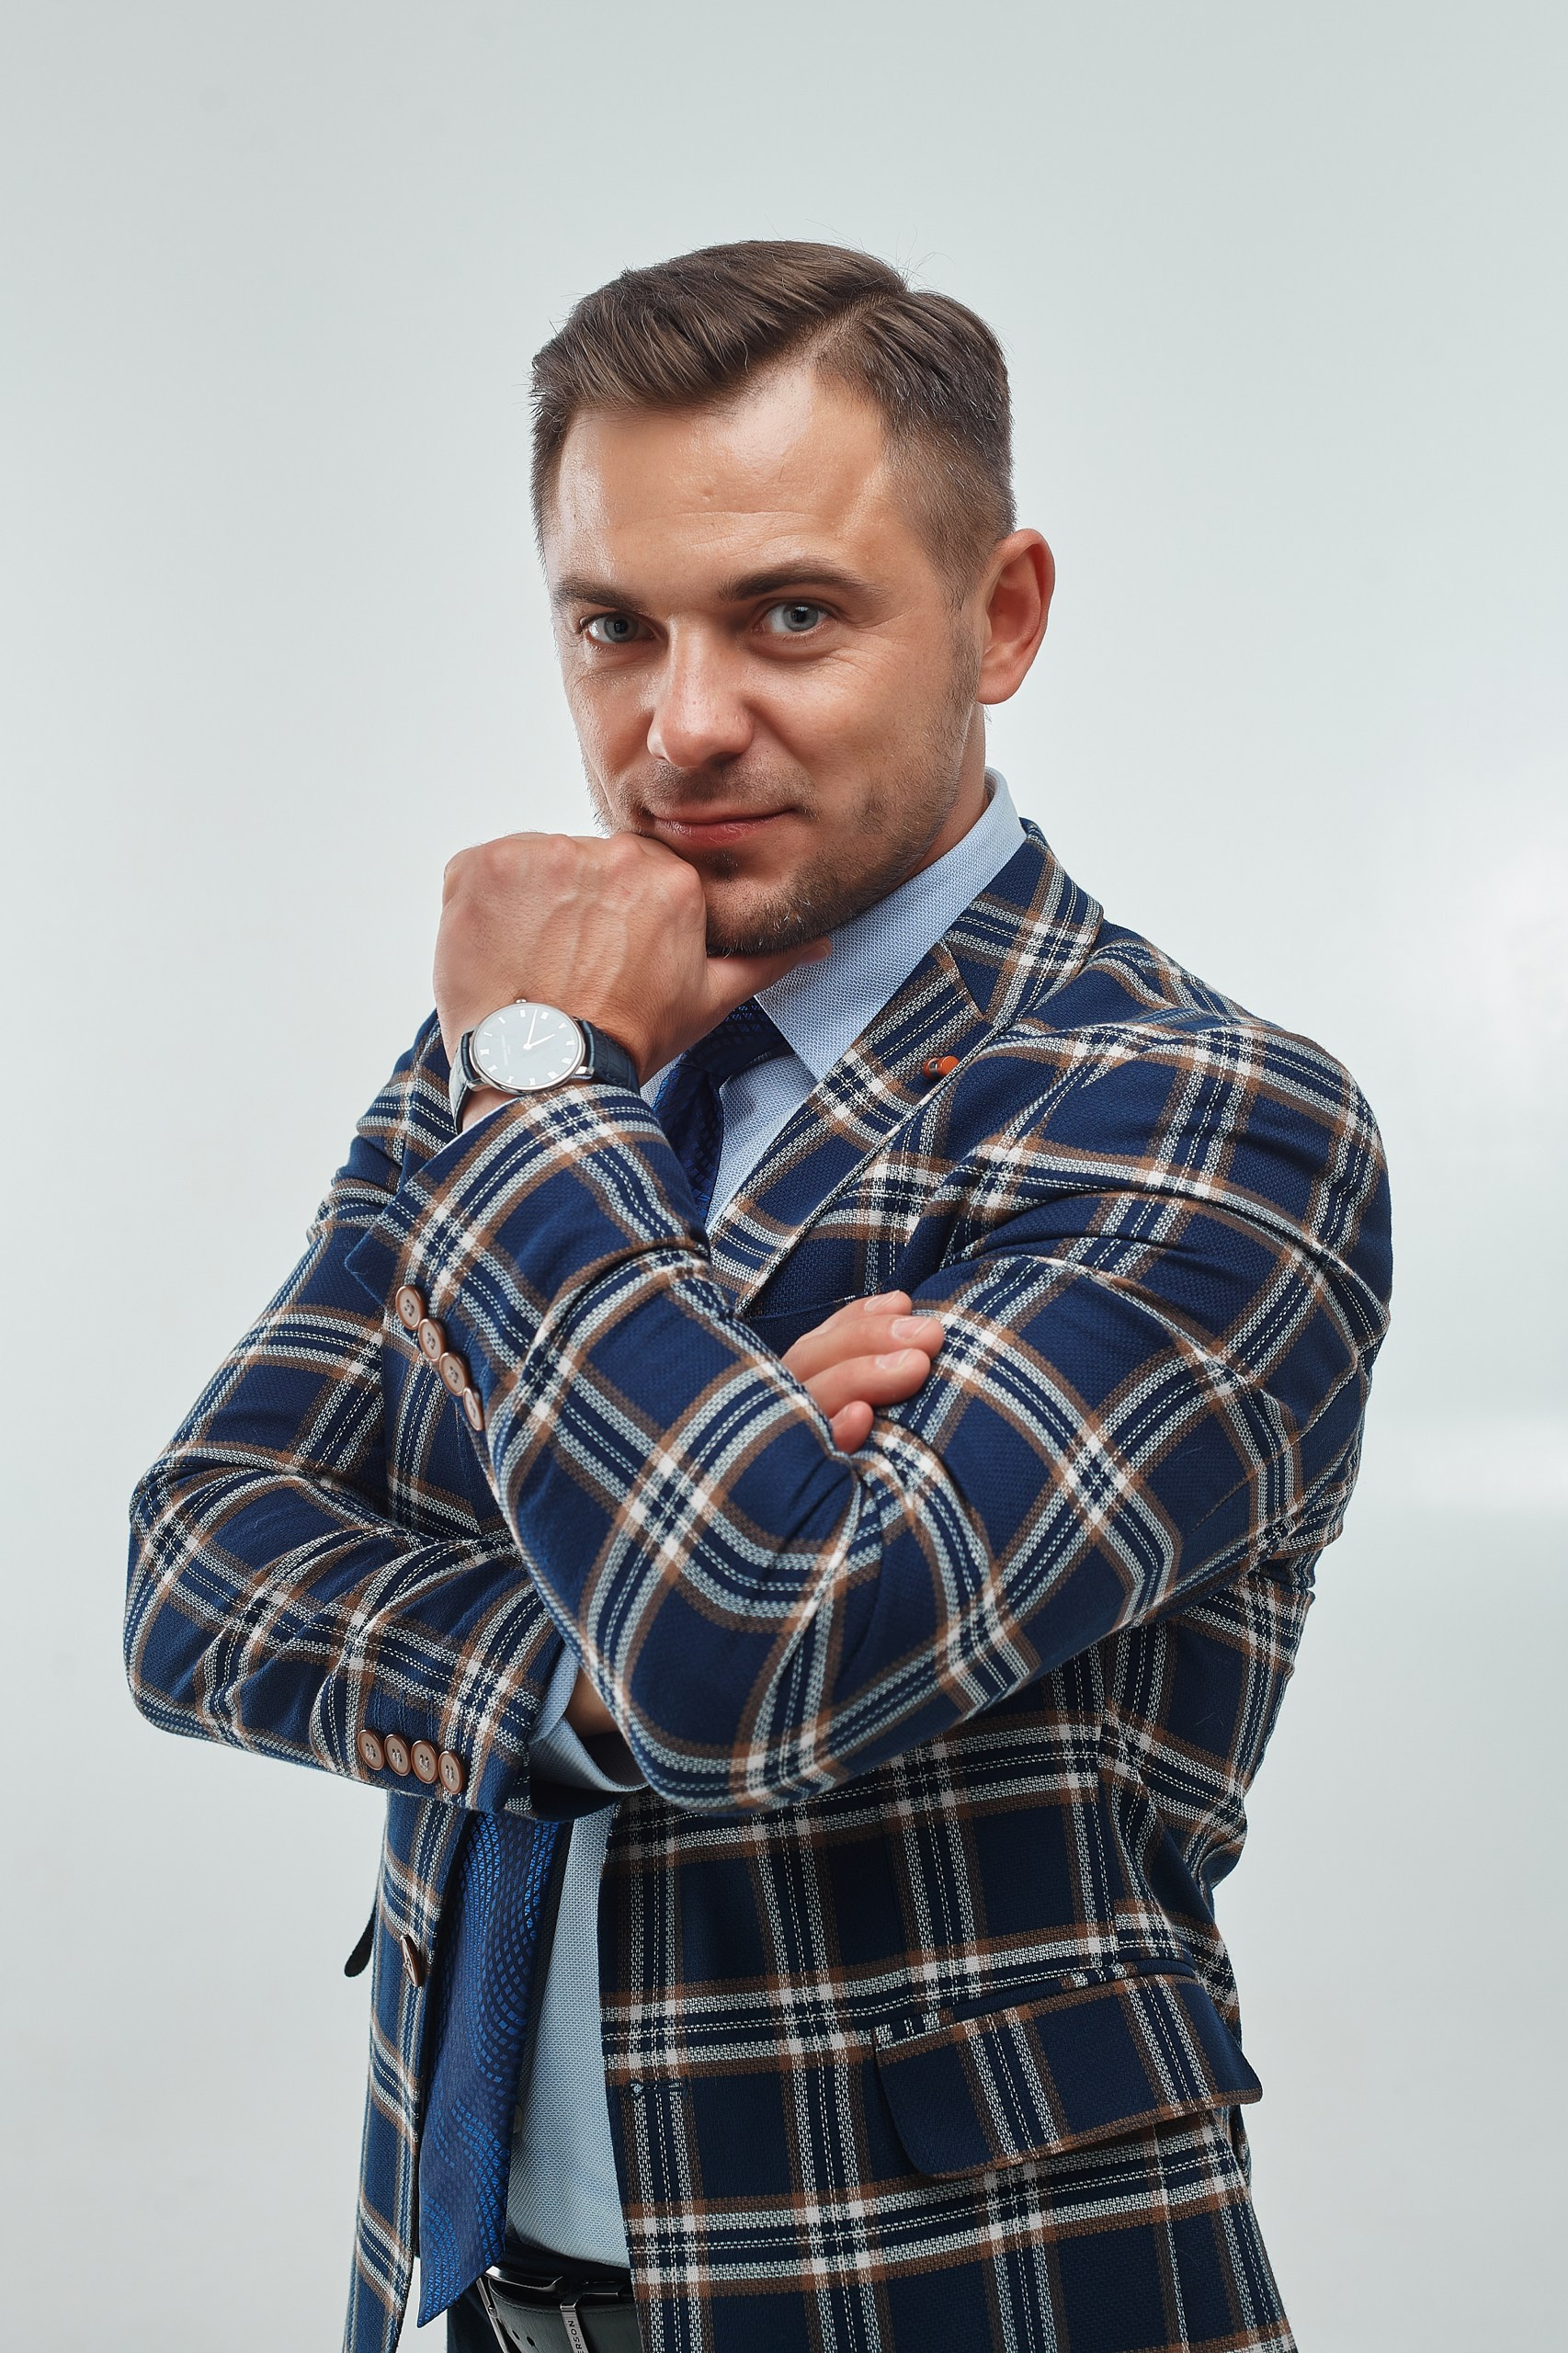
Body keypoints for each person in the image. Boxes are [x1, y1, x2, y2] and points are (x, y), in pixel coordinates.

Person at [126, 242, 1392, 2353]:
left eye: (790, 615)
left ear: (1000, 615)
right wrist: (599, 1655)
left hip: (962, 2295)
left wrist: (540, 1102)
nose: (680, 722)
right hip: (477, 2295)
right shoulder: (523, 1061)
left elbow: (765, 1647)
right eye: (614, 625)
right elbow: (196, 1562)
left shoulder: (1195, 1109)